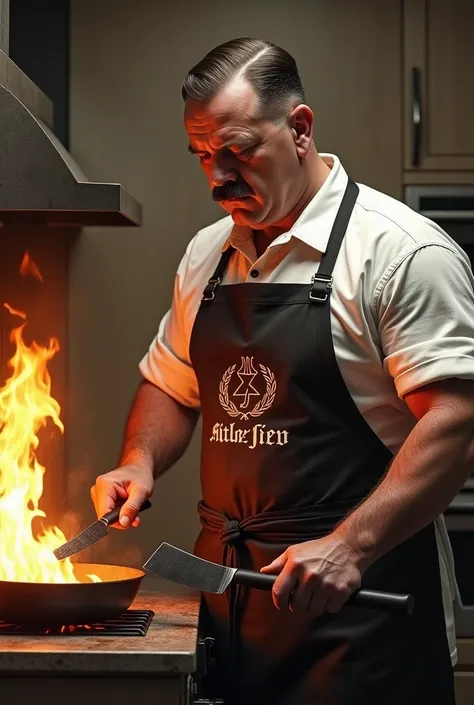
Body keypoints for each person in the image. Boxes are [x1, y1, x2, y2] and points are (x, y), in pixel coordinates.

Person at [90, 37, 474, 705]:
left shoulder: (400, 253)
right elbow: (170, 382)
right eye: (204, 157)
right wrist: (138, 461)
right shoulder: (208, 255)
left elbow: (457, 420)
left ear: (300, 128)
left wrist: (349, 546)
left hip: (364, 620)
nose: (217, 177)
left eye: (237, 151)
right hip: (230, 611)